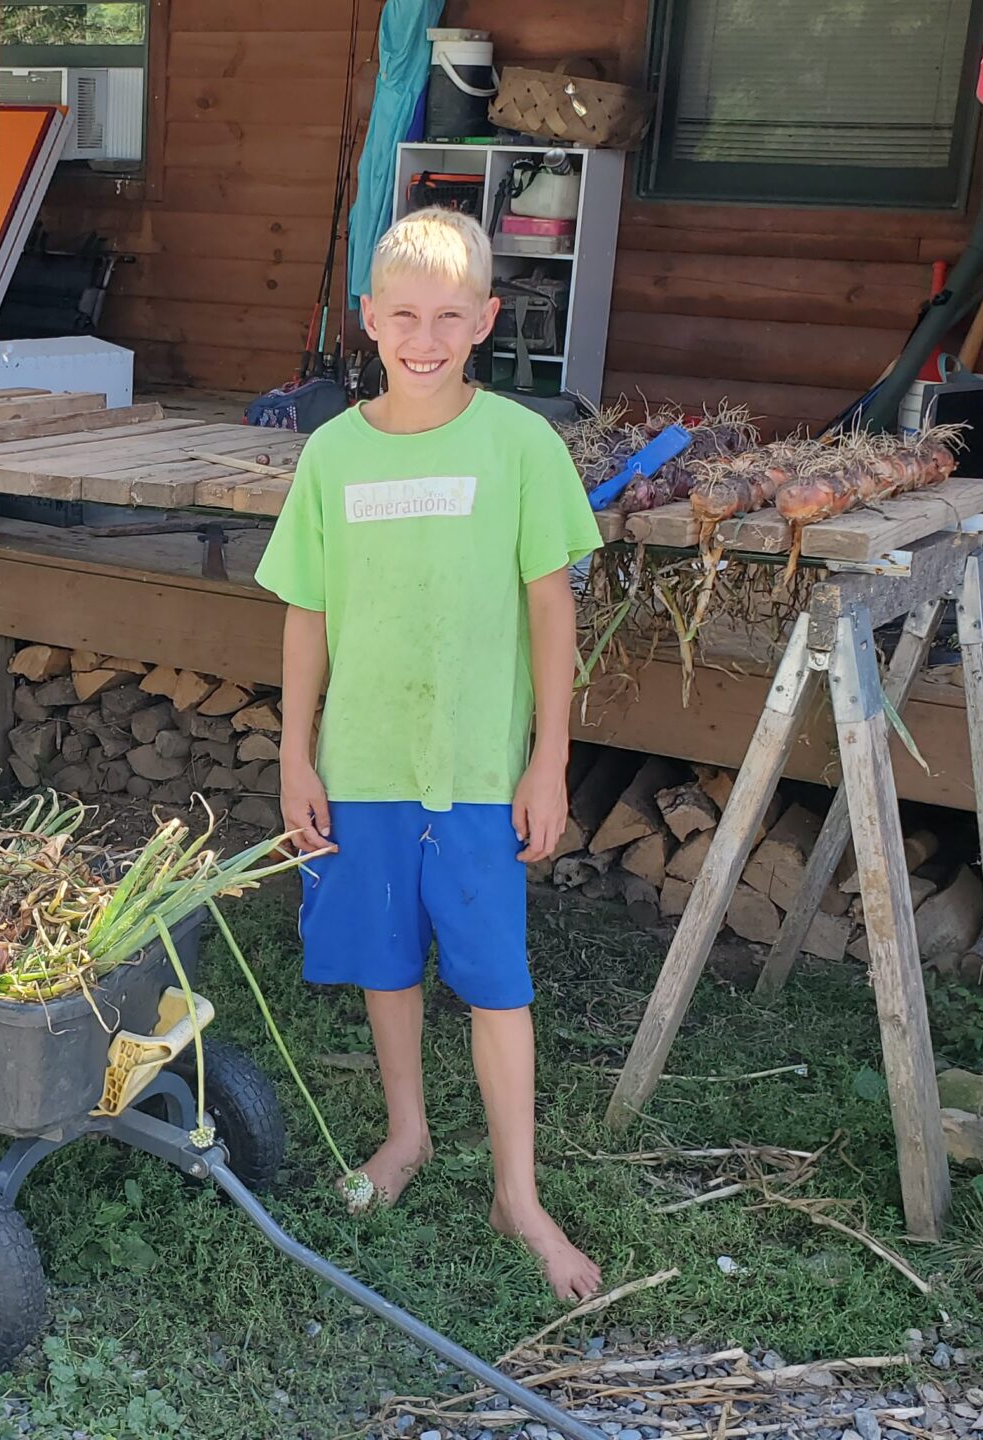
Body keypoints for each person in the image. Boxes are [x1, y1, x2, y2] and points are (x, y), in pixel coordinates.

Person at [255, 208, 607, 1303]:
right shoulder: (332, 453)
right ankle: (405, 1135)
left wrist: (548, 760)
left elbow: (552, 611)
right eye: (401, 314)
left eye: (448, 316)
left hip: (473, 770)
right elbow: (305, 613)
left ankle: (519, 1192)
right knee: (386, 959)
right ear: (367, 319)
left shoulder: (518, 446)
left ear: (485, 321)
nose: (422, 336)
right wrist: (293, 755)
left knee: (496, 981)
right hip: (360, 763)